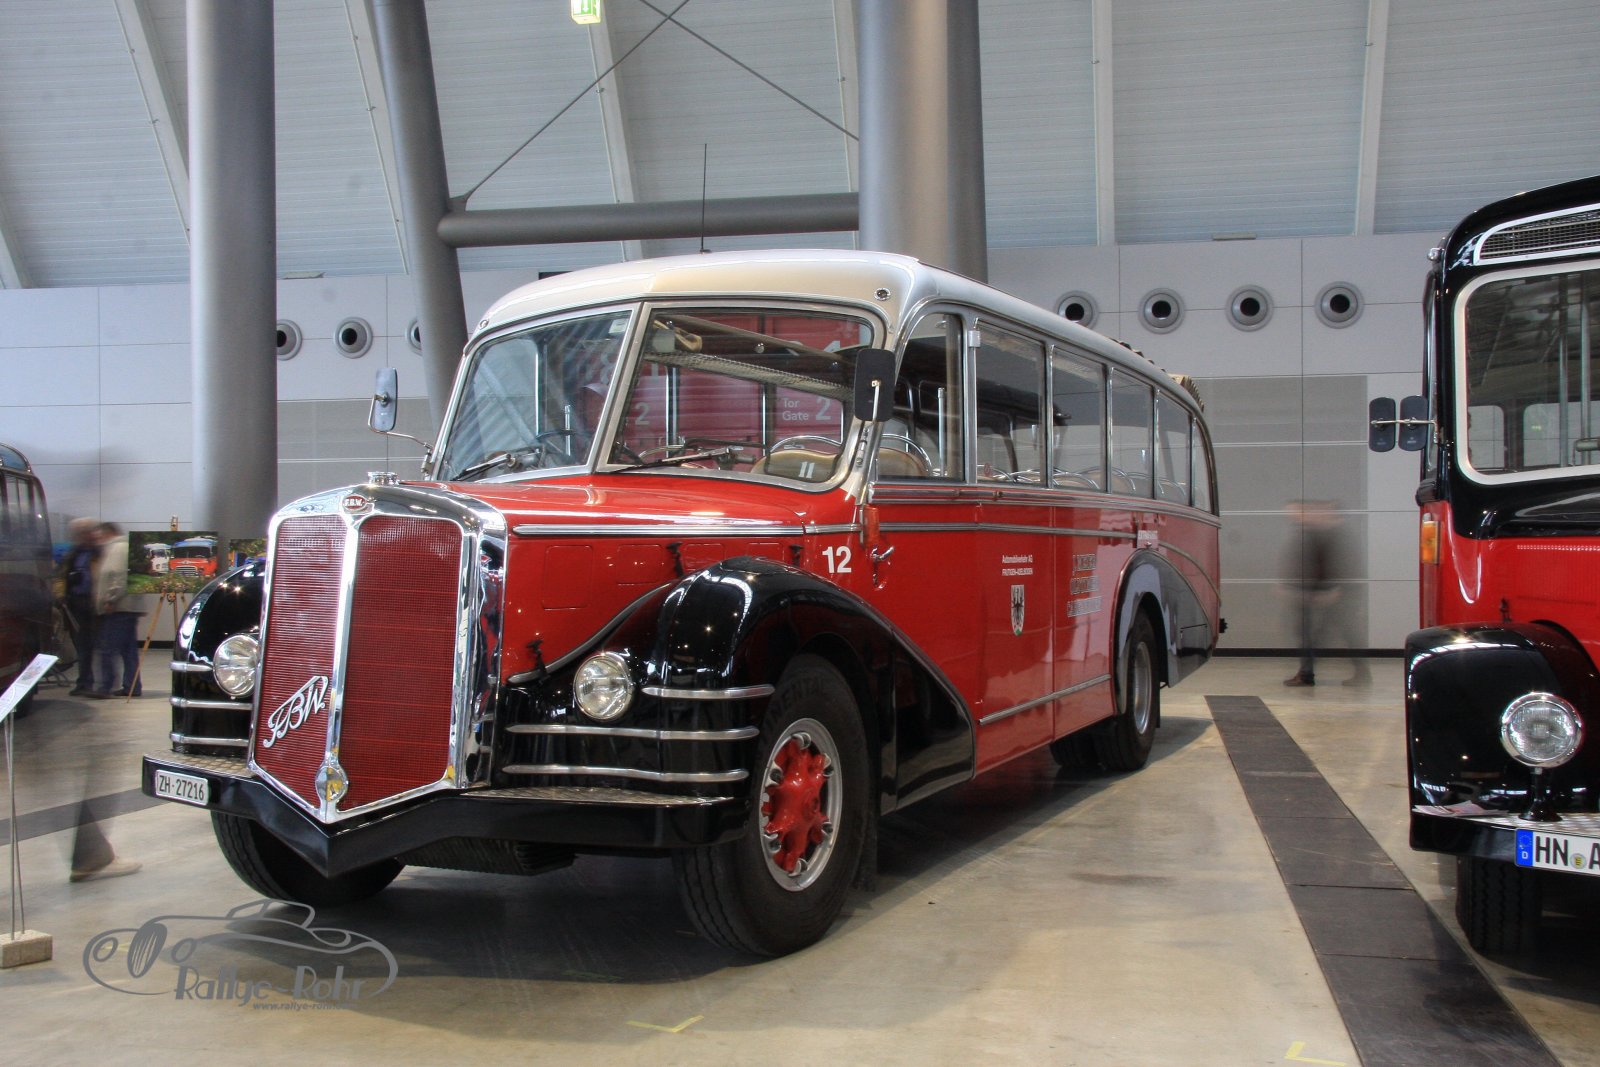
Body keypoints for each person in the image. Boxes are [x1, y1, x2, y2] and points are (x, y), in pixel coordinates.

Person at [1283, 500, 1369, 687]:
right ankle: (1308, 673)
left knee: (1326, 635)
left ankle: (1307, 674)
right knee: (1322, 635)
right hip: (1320, 593)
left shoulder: (1337, 535)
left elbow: (1340, 565)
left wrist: (1333, 590)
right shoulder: (1316, 532)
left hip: (1336, 595)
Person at [91, 522, 144, 698]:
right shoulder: (124, 548)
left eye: (99, 536)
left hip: (119, 607)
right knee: (128, 650)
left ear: (108, 533)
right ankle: (132, 686)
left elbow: (119, 577)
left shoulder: (117, 549)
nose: (97, 540)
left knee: (108, 648)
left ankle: (105, 686)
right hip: (127, 607)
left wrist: (110, 599)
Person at [62, 517, 101, 696]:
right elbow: (63, 574)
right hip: (76, 602)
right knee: (82, 645)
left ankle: (100, 683)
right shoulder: (74, 553)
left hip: (94, 603)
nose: (82, 535)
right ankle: (84, 681)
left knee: (97, 645)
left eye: (85, 532)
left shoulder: (99, 552)